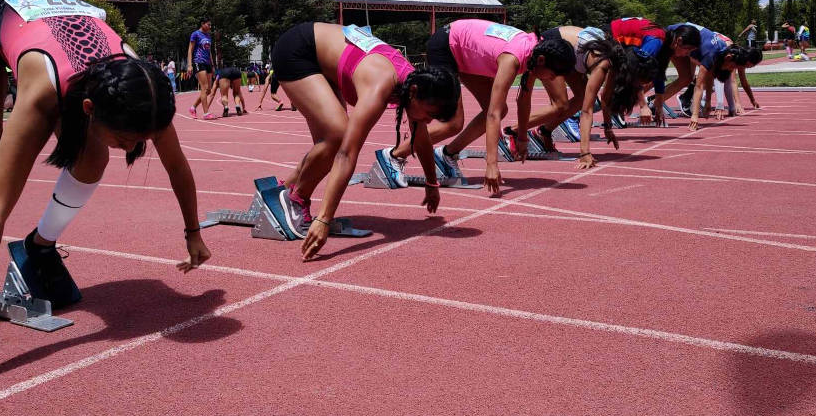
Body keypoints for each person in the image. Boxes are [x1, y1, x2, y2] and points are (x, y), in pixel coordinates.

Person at [0, 0, 210, 394]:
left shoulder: (142, 89)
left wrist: (193, 234)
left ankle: (39, 246)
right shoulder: (42, 92)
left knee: (94, 160)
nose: (133, 148)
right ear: (89, 109)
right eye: (127, 139)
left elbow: (177, 165)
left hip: (52, 32)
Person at [271, 22, 460, 259]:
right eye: (430, 114)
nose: (429, 121)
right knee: (338, 138)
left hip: (321, 57)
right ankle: (296, 198)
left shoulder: (415, 83)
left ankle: (281, 191)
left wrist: (432, 184)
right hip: (298, 50)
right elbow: (347, 154)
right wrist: (324, 219)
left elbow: (420, 136)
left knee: (329, 142)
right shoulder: (381, 84)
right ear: (413, 93)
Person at [389, 19, 576, 192]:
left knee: (502, 109)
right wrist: (491, 165)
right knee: (453, 122)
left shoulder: (536, 51)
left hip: (467, 53)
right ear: (543, 61)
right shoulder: (513, 58)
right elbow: (492, 115)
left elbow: (523, 99)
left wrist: (522, 137)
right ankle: (394, 156)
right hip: (447, 46)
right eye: (553, 74)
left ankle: (447, 154)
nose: (552, 79)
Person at [504, 24, 646, 170]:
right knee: (560, 104)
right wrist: (584, 152)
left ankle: (544, 131)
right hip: (554, 45)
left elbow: (605, 98)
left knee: (580, 98)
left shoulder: (617, 60)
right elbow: (587, 110)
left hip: (572, 53)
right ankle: (512, 131)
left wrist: (608, 127)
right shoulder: (604, 64)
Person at [647, 23, 702, 125]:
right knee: (648, 75)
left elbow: (660, 76)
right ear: (678, 41)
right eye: (688, 50)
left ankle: (652, 103)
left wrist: (658, 102)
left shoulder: (684, 43)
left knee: (686, 78)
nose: (688, 54)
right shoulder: (660, 42)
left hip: (681, 37)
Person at [186, 19, 217, 119]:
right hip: (198, 61)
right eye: (208, 24)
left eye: (210, 25)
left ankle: (193, 107)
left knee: (208, 90)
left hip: (207, 63)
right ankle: (206, 113)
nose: (210, 27)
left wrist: (212, 66)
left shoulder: (208, 36)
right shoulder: (195, 34)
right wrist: (190, 65)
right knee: (204, 87)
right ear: (202, 24)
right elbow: (190, 50)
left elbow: (209, 52)